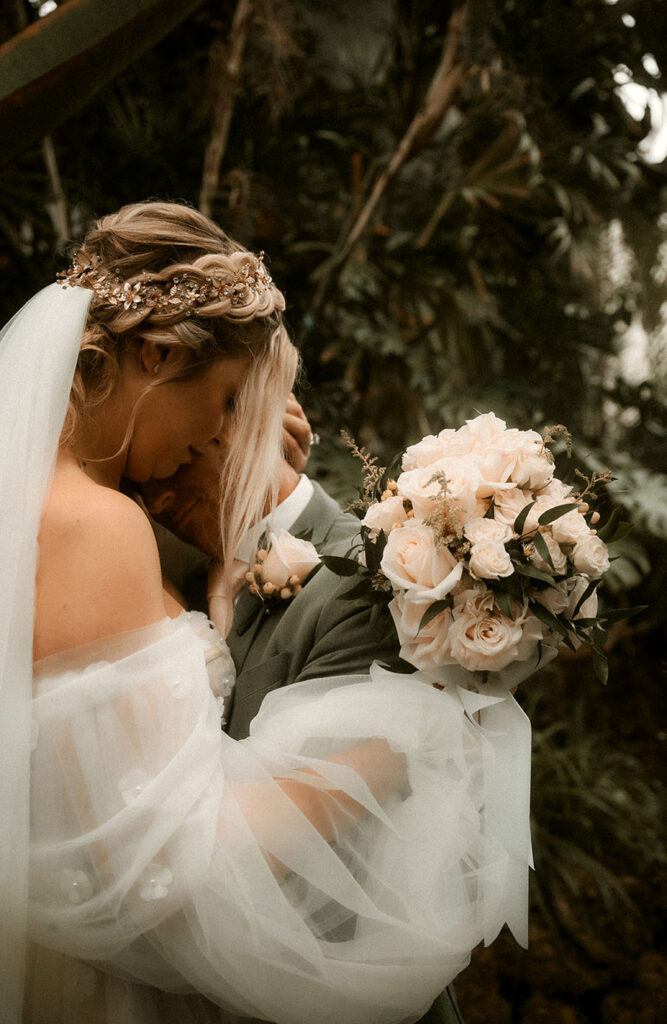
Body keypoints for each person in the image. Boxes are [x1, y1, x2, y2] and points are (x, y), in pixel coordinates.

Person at [0, 201, 528, 1024]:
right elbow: (162, 877)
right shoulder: (97, 526)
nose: (227, 431)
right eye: (224, 398)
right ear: (157, 353)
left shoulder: (33, 502)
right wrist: (379, 759)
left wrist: (213, 601)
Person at [143, 424, 466, 1024]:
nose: (155, 497)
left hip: (335, 981)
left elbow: (331, 833)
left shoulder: (380, 576)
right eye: (141, 482)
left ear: (240, 422)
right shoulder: (175, 583)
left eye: (174, 460)